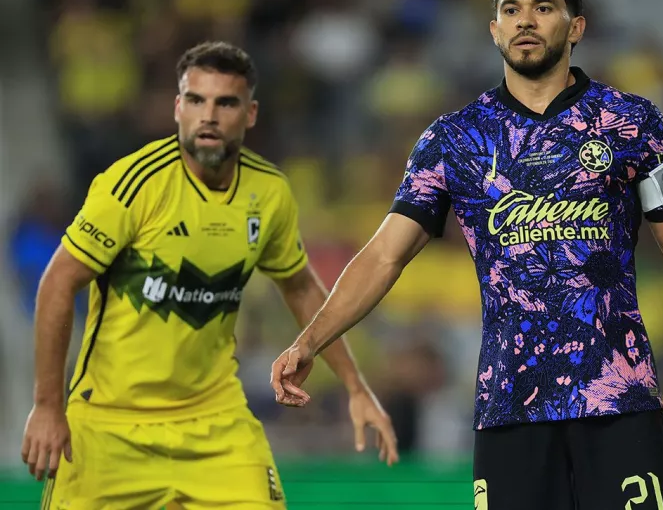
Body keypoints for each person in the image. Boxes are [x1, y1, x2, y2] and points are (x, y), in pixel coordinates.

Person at [272, 0, 663, 510]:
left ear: (575, 27)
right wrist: (310, 340)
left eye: (543, 7)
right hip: (510, 405)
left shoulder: (632, 122)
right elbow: (384, 256)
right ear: (494, 29)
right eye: (512, 9)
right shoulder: (454, 140)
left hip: (620, 399)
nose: (526, 20)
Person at [21, 41, 398, 509]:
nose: (209, 115)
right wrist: (47, 405)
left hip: (215, 421)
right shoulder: (133, 184)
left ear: (251, 113)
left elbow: (299, 286)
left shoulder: (270, 192)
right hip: (109, 425)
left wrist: (356, 387)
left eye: (226, 102)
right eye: (196, 100)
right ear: (178, 107)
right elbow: (59, 281)